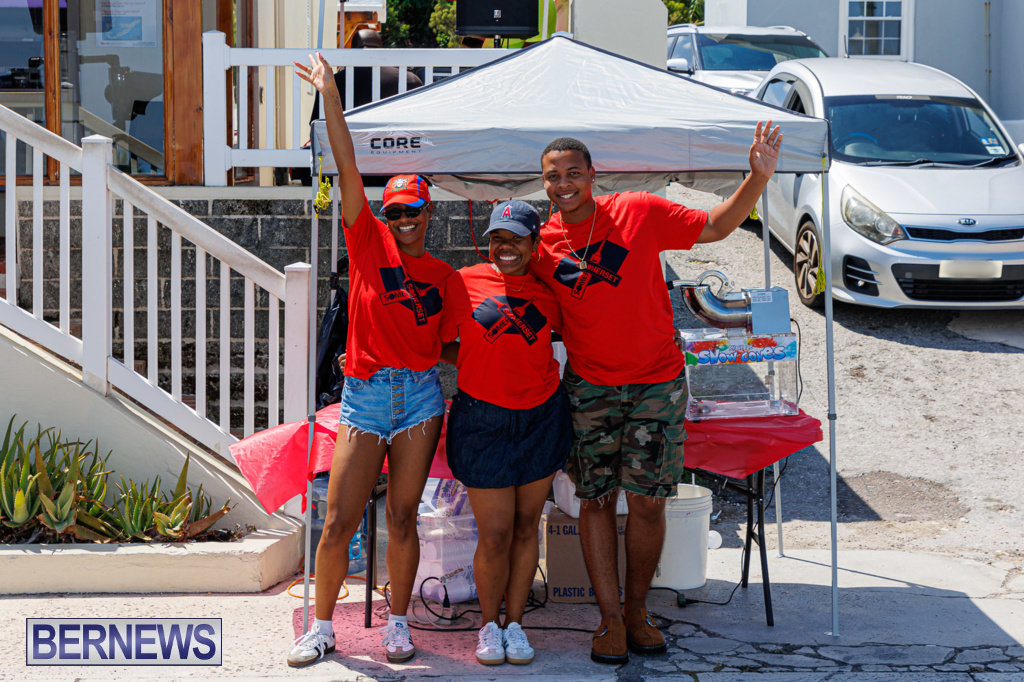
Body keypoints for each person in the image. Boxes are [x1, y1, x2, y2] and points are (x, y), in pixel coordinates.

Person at [532, 123, 782, 664]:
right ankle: (610, 621)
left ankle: (639, 610)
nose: (564, 184)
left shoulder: (638, 211)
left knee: (648, 504)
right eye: (554, 177)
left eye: (574, 173)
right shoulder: (543, 246)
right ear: (544, 184)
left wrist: (756, 179)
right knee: (594, 502)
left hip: (655, 384)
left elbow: (716, 226)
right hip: (590, 389)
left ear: (593, 176)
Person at [288, 52, 453, 668]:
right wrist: (331, 94)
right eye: (396, 211)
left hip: (420, 397)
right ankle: (322, 626)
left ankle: (400, 624)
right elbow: (345, 159)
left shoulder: (445, 277)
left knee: (405, 518)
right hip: (363, 394)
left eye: (414, 210)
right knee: (339, 522)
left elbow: (459, 342)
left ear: (429, 213)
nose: (404, 220)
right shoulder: (367, 239)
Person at [437, 200, 571, 667]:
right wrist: (478, 366)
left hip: (541, 416)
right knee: (493, 533)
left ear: (535, 244)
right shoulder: (463, 281)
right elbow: (441, 342)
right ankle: (488, 627)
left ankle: (516, 625)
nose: (505, 246)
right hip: (483, 422)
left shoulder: (551, 290)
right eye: (497, 237)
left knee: (524, 527)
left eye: (516, 237)